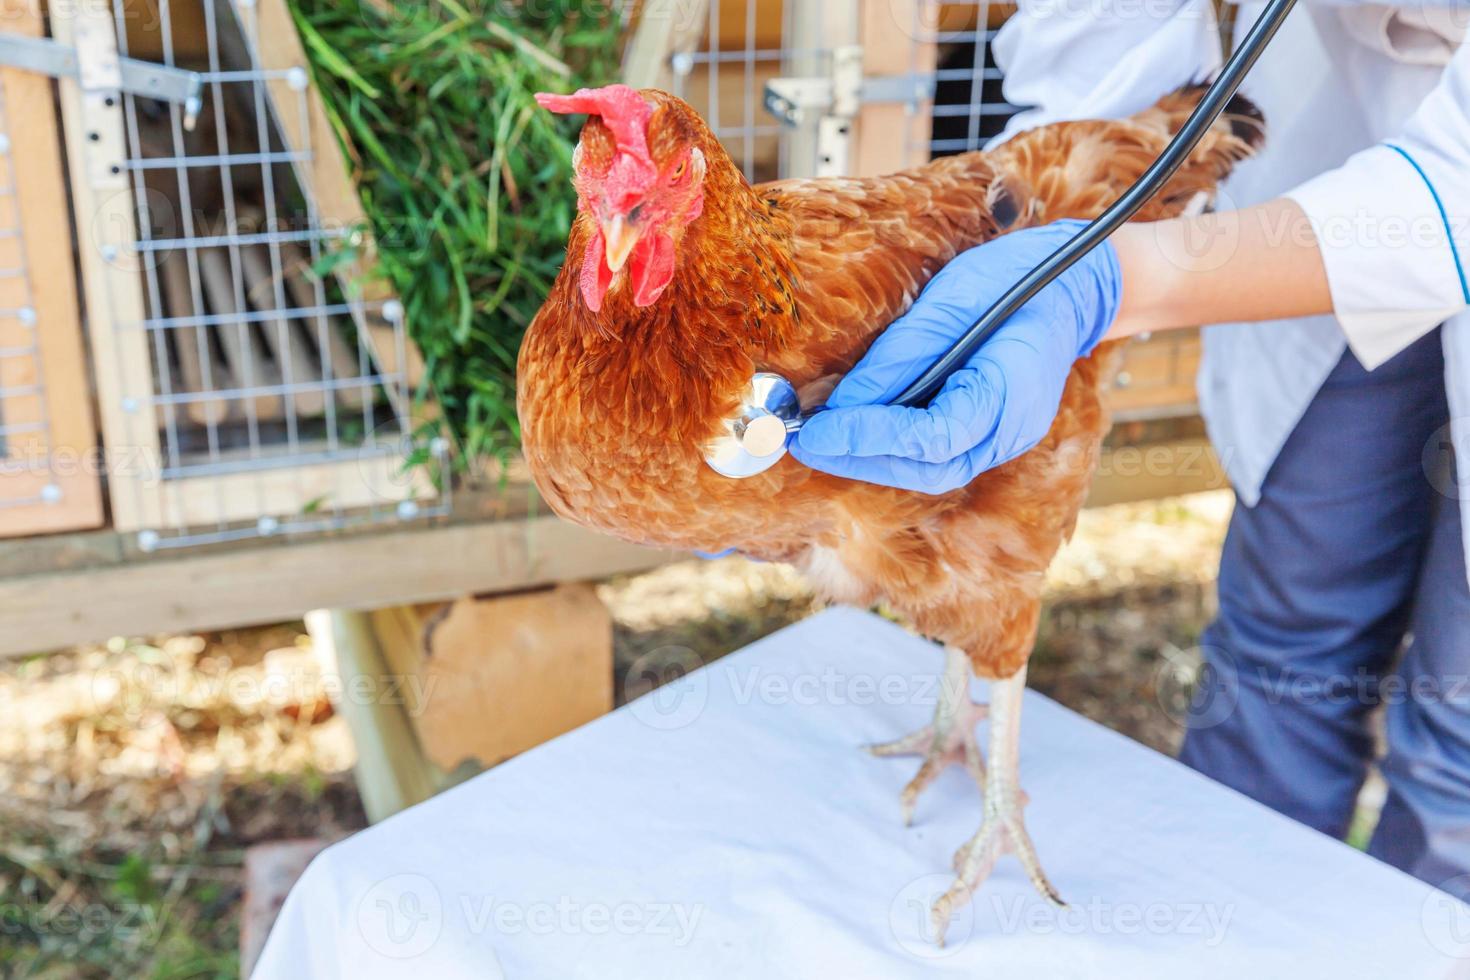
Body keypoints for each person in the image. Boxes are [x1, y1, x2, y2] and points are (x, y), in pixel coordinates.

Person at [791, 1, 1470, 898]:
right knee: (1282, 646)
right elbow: (1100, 26)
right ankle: (1222, 933)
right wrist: (1050, 214)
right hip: (1344, 112)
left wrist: (1105, 282)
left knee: (1459, 742)